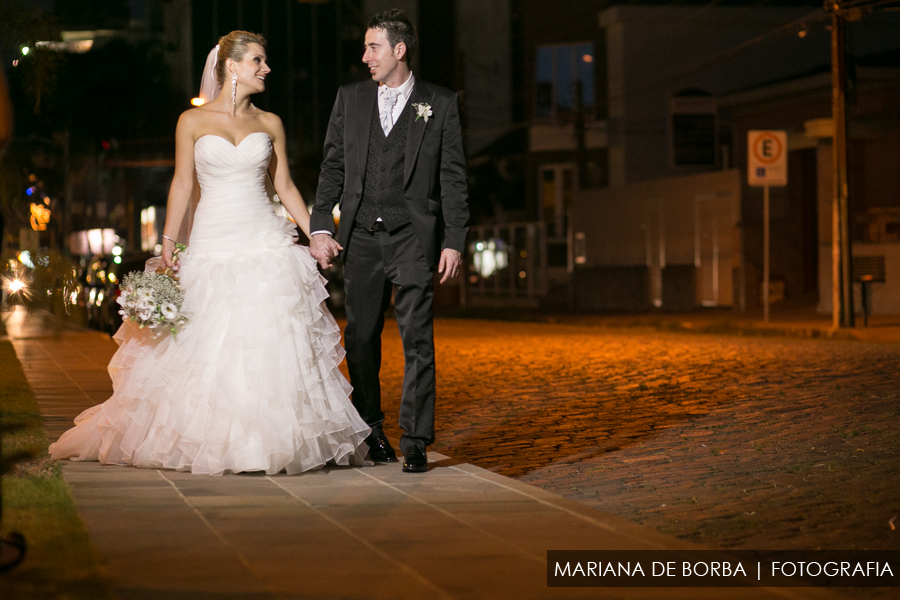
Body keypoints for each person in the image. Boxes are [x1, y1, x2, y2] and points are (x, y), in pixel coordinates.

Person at [49, 31, 371, 476]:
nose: (266, 69)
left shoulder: (270, 123)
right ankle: (205, 440)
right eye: (258, 61)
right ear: (232, 66)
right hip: (211, 240)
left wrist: (315, 232)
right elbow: (182, 184)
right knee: (204, 342)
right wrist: (167, 244)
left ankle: (268, 444)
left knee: (270, 339)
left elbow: (285, 186)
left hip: (263, 238)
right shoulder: (192, 122)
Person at [309, 10, 469, 473]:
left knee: (418, 339)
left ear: (400, 50)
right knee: (360, 338)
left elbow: (453, 179)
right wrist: (322, 223)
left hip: (414, 239)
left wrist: (453, 240)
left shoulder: (439, 102)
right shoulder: (351, 99)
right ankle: (372, 430)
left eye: (373, 47)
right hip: (360, 238)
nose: (365, 57)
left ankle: (416, 439)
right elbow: (333, 166)